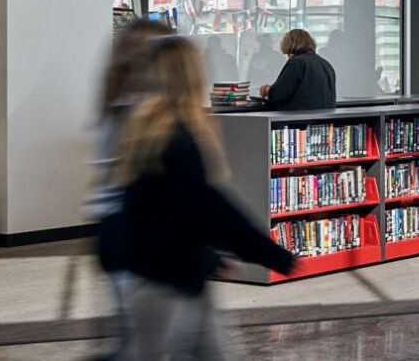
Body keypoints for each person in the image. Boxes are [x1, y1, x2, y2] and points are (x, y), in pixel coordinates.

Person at [112, 37, 296, 356]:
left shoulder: (146, 132)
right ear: (189, 76)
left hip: (170, 274)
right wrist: (273, 255)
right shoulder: (178, 141)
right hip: (167, 283)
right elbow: (207, 208)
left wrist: (208, 259)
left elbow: (170, 211)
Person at [88, 19, 173, 358]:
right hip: (140, 234)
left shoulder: (115, 100)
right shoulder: (143, 110)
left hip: (114, 228)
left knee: (135, 337)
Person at [260, 28, 337, 110]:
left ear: (289, 44)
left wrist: (267, 90)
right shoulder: (325, 64)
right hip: (323, 120)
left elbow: (280, 93)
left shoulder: (297, 62)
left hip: (300, 119)